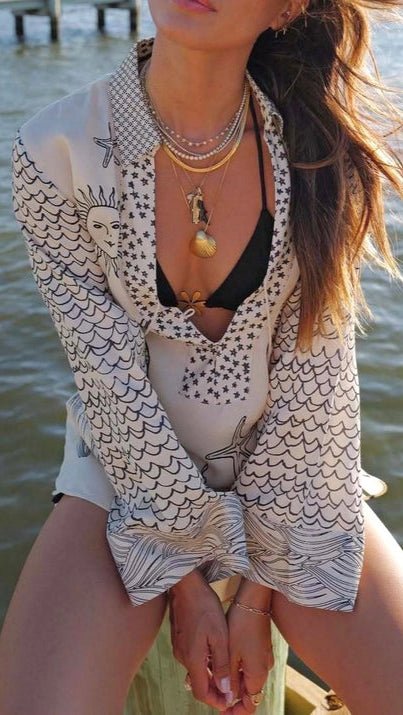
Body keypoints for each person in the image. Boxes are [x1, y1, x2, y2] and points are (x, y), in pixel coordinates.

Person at [1, 1, 403, 713]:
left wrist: (254, 598)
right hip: (120, 473)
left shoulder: (318, 151)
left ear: (288, 7)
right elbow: (108, 380)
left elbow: (316, 388)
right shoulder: (55, 149)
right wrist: (182, 578)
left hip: (293, 479)